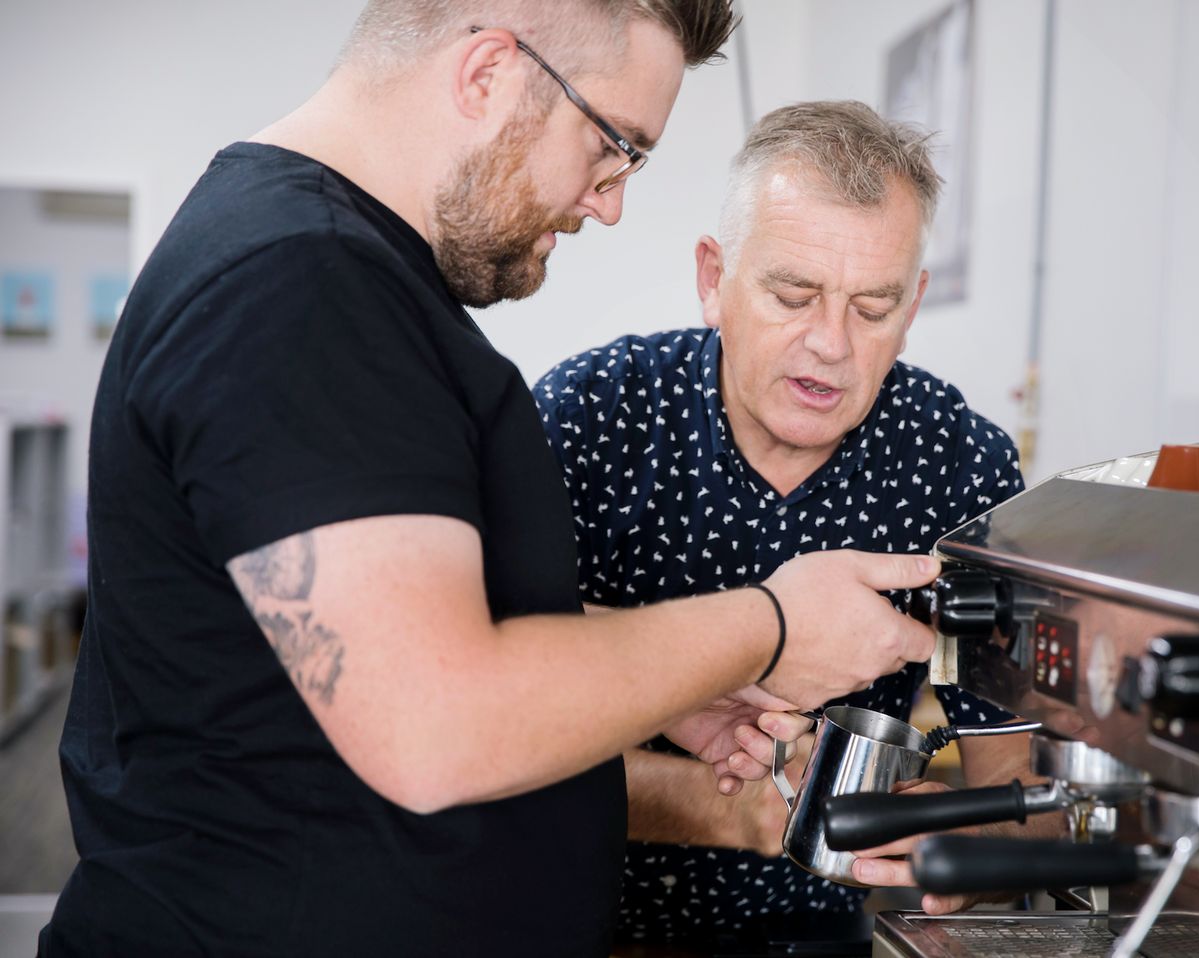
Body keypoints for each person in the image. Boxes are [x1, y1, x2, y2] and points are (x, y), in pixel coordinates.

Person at [41, 8, 943, 957]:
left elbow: (385, 629)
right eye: (613, 146)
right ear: (488, 75)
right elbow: (435, 725)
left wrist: (685, 683)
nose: (608, 202)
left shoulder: (336, 272)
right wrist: (773, 627)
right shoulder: (301, 284)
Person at [532, 101, 1057, 954]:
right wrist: (738, 808)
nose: (830, 345)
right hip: (574, 926)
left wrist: (974, 847)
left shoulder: (958, 465)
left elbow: (1025, 790)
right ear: (713, 278)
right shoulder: (589, 421)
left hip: (831, 934)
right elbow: (486, 725)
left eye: (873, 307)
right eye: (791, 294)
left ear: (913, 302)